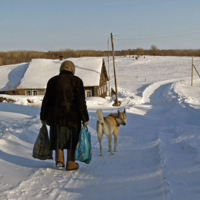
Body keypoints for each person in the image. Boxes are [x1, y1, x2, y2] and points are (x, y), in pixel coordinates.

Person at [40, 60, 89, 171]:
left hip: (55, 118)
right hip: (73, 118)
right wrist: (85, 118)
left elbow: (46, 101)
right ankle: (70, 163)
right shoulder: (77, 81)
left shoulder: (52, 81)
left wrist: (43, 116)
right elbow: (81, 102)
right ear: (72, 69)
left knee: (58, 137)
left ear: (61, 69)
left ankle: (59, 160)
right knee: (71, 140)